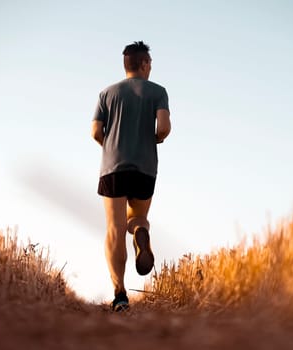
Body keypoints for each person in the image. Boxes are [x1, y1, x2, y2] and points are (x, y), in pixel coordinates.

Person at [91, 41, 171, 312]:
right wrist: (155, 139)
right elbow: (164, 127)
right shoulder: (158, 92)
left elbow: (94, 131)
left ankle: (120, 295)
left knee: (114, 230)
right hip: (145, 166)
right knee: (137, 218)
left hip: (113, 167)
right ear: (145, 64)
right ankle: (139, 232)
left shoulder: (106, 93)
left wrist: (111, 144)